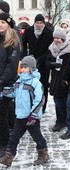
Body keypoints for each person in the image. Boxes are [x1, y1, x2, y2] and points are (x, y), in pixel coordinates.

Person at [0, 56, 49, 167]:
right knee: (13, 138)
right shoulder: (19, 81)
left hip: (31, 117)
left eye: (25, 67)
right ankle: (8, 157)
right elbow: (13, 92)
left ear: (31, 68)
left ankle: (43, 154)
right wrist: (2, 92)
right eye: (21, 67)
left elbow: (40, 100)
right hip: (20, 116)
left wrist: (33, 114)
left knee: (37, 137)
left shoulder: (35, 83)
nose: (23, 69)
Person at [22, 14, 53, 112]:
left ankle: (42, 108)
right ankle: (31, 105)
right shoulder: (29, 30)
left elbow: (49, 49)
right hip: (30, 63)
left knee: (42, 86)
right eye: (37, 23)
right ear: (34, 23)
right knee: (30, 85)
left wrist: (40, 59)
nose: (39, 25)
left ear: (44, 23)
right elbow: (23, 44)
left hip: (43, 64)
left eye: (41, 23)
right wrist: (25, 57)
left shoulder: (48, 32)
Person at [48, 27, 70, 132]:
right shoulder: (51, 49)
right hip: (55, 79)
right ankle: (60, 120)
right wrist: (51, 64)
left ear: (64, 39)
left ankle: (68, 121)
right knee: (57, 101)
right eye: (55, 38)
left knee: (66, 102)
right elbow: (47, 61)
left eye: (59, 38)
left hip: (65, 80)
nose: (56, 40)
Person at [0, 13, 20, 157]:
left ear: (8, 24)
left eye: (3, 22)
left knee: (2, 113)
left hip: (6, 83)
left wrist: (1, 81)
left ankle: (5, 144)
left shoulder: (13, 41)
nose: (0, 24)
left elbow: (11, 65)